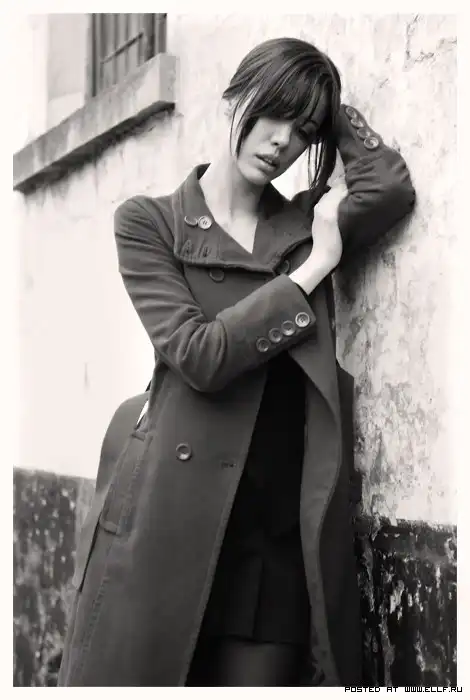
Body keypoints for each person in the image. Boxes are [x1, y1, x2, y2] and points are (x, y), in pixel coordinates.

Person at [58, 37, 415, 687]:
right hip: (169, 519)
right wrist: (314, 268)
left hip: (271, 537)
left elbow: (388, 187)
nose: (282, 141)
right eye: (272, 112)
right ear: (235, 99)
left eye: (302, 131)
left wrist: (326, 103)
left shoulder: (303, 223)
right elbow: (199, 355)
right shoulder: (151, 223)